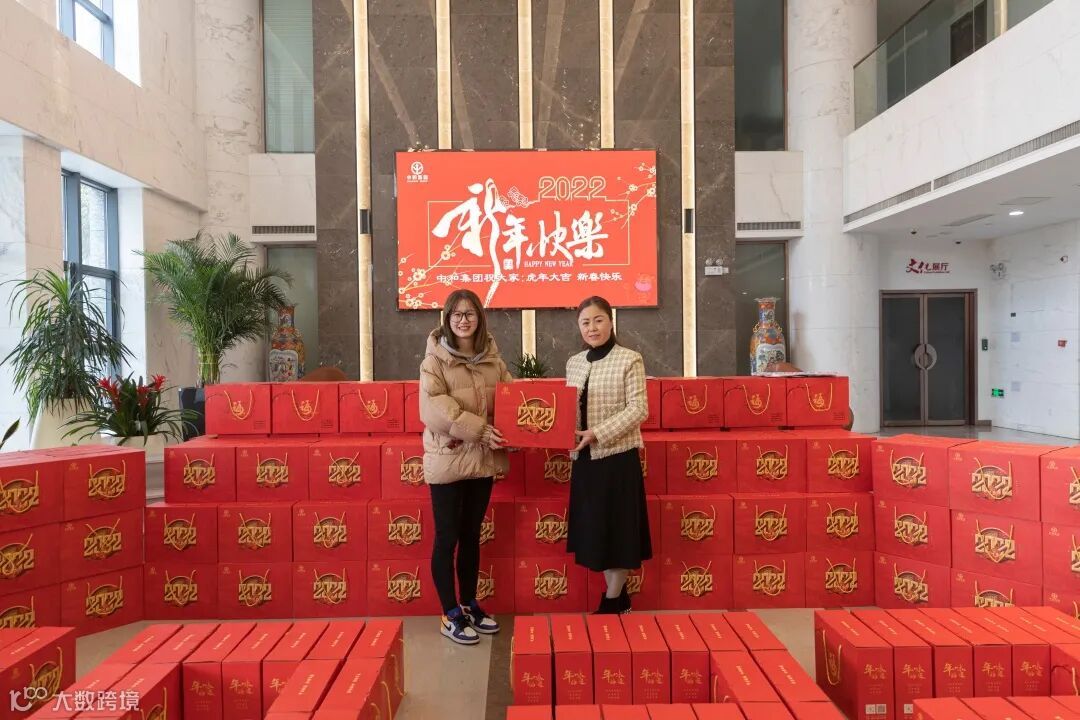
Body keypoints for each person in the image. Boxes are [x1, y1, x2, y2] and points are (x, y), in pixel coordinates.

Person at [419, 289, 510, 645]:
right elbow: (436, 410)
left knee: (472, 535)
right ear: (447, 319)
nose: (463, 320)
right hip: (448, 459)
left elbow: (511, 402)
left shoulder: (493, 360)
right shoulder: (434, 362)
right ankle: (449, 612)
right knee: (447, 538)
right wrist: (483, 431)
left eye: (470, 313)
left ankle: (469, 603)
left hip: (481, 460)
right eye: (456, 314)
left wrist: (516, 431)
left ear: (479, 318)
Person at [565, 295, 653, 614]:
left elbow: (639, 409)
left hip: (617, 459)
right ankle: (621, 595)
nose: (592, 328)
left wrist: (598, 433)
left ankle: (613, 600)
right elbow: (568, 409)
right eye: (585, 322)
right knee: (598, 533)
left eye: (598, 320)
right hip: (585, 461)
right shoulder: (574, 363)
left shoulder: (629, 359)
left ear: (611, 321)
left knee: (617, 532)